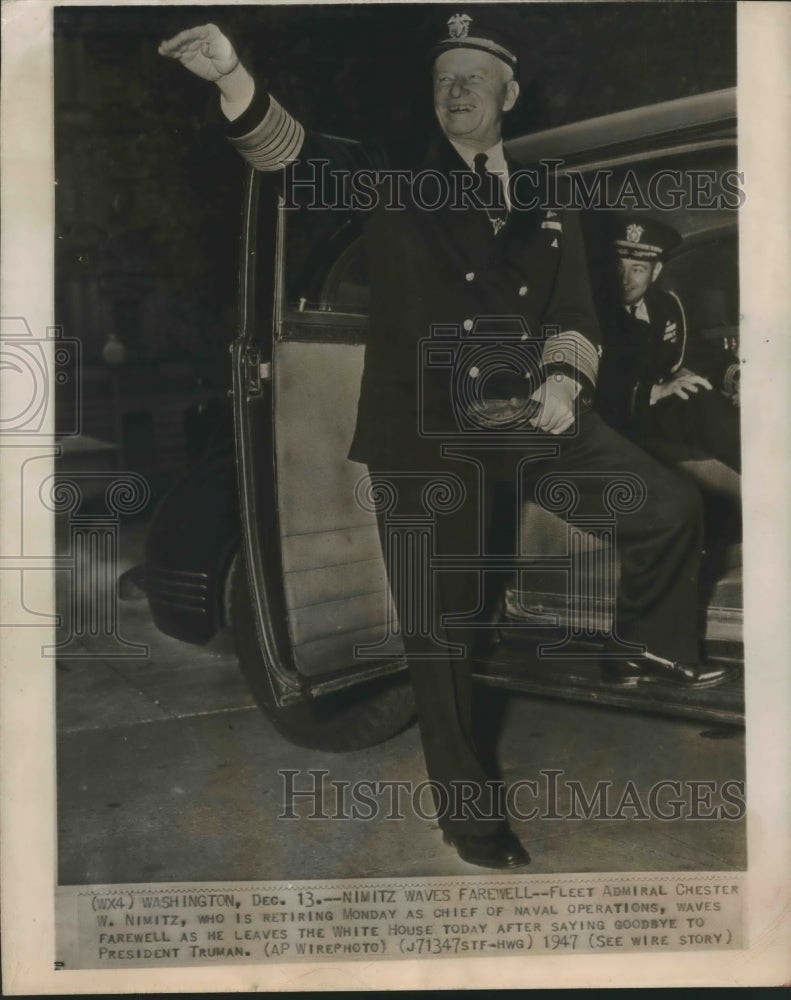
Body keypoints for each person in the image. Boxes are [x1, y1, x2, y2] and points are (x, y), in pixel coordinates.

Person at [159, 15, 733, 870]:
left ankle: (640, 651)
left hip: (532, 420)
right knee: (444, 629)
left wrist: (563, 381)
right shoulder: (399, 180)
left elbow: (574, 313)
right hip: (429, 433)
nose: (455, 91)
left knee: (667, 504)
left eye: (472, 77)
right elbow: (295, 156)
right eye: (442, 80)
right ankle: (467, 811)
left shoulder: (547, 193)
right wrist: (232, 79)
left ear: (508, 94)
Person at [596, 216, 741, 473]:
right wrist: (658, 391)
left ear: (656, 272)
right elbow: (600, 385)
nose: (625, 279)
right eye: (619, 267)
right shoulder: (593, 313)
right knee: (700, 404)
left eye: (637, 269)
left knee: (708, 401)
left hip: (668, 411)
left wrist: (736, 377)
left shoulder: (666, 306)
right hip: (623, 416)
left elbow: (694, 351)